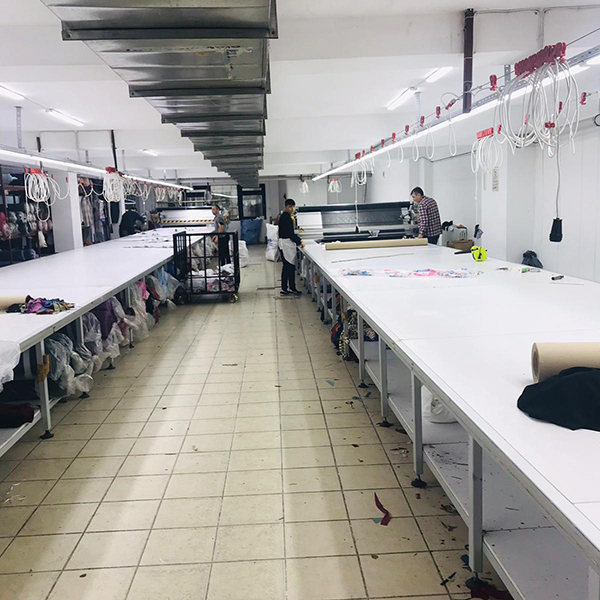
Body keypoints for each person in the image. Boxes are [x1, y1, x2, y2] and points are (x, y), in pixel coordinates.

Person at [278, 198, 305, 296]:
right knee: (289, 268)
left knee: (287, 267)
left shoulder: (285, 216)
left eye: (293, 207)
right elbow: (290, 234)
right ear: (287, 207)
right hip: (286, 245)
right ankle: (290, 288)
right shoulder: (286, 217)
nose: (293, 209)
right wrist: (300, 241)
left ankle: (286, 288)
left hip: (286, 244)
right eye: (291, 207)